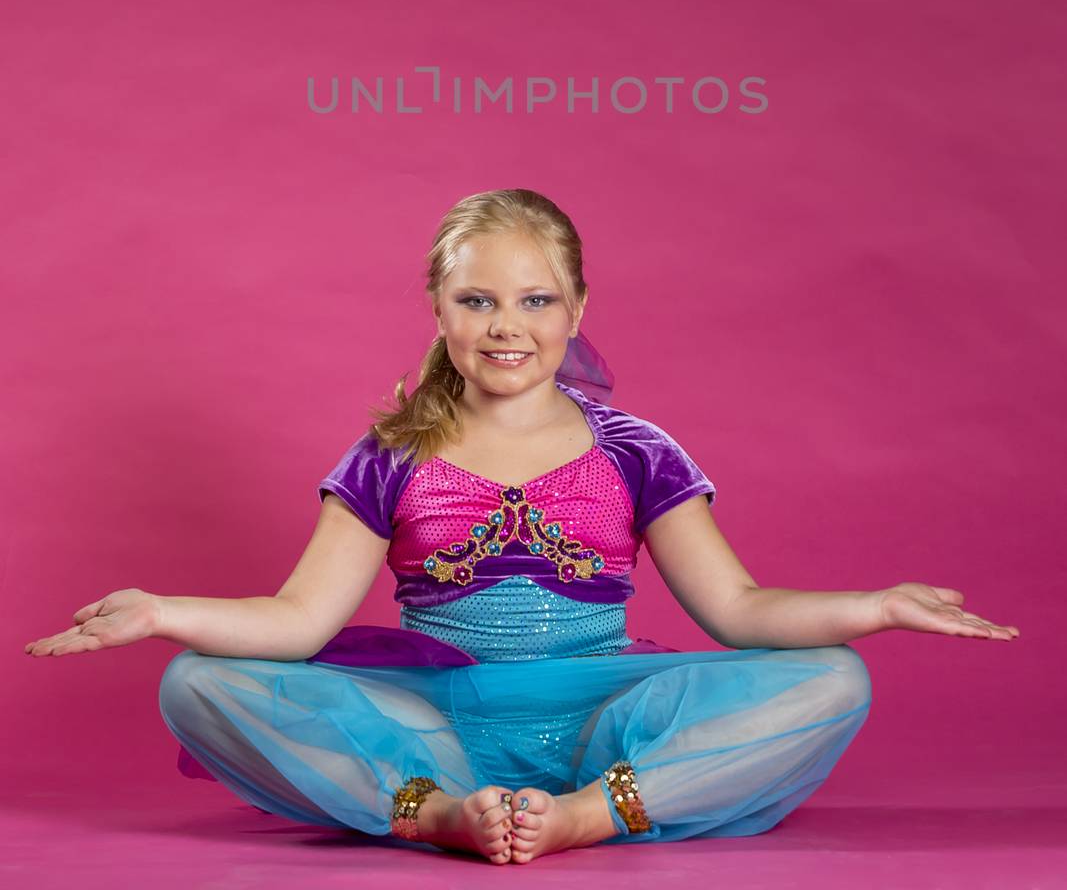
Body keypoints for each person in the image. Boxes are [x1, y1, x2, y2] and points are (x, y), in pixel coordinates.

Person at [25, 188, 1019, 864]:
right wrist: (159, 609)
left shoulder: (634, 448)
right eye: (478, 299)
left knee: (836, 673)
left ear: (578, 306)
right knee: (195, 681)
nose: (507, 325)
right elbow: (295, 621)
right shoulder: (389, 453)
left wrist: (876, 603)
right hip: (437, 719)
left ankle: (586, 813)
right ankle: (440, 815)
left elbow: (738, 607)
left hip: (602, 714)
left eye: (535, 299)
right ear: (438, 307)